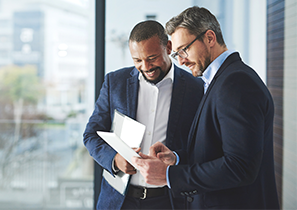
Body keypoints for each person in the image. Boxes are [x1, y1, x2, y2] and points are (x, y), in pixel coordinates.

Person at [132, 6, 280, 209]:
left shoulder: (236, 83)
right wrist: (176, 158)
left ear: (210, 38)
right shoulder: (219, 80)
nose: (182, 61)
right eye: (177, 54)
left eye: (184, 50)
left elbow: (240, 166)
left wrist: (168, 175)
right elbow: (218, 150)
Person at [83, 20, 203, 210]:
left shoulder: (196, 88)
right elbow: (91, 135)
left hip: (169, 201)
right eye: (137, 60)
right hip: (119, 201)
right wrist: (114, 160)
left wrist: (176, 157)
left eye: (152, 57)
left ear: (168, 47)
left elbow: (202, 147)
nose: (146, 66)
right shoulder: (115, 82)